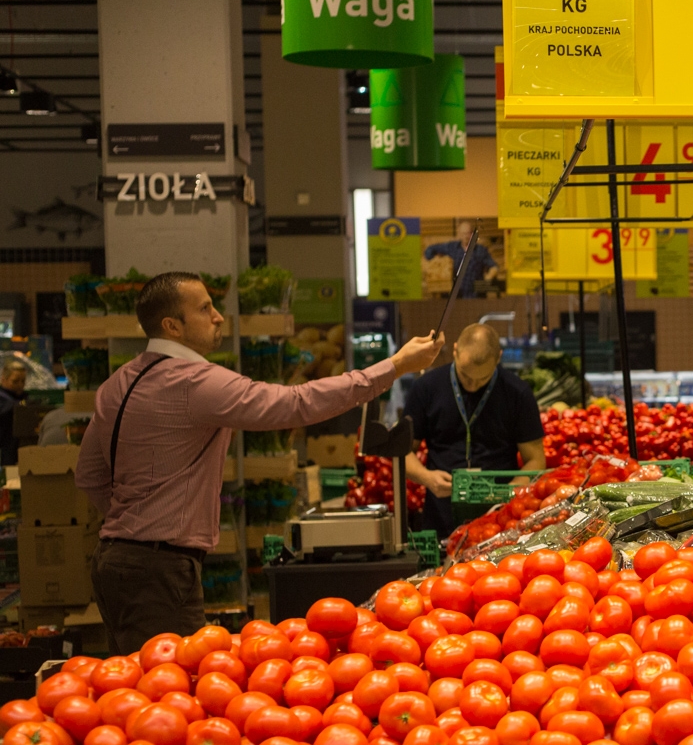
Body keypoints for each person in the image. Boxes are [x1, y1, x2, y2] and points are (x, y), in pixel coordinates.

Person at [76, 272, 442, 654]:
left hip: (113, 561)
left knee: (130, 686)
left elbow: (89, 475)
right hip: (160, 572)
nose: (218, 316)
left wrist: (131, 526)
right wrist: (395, 366)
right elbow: (296, 403)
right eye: (205, 309)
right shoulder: (196, 382)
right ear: (173, 326)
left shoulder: (116, 383)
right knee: (166, 690)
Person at [403, 324, 547, 539]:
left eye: (482, 379)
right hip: (441, 512)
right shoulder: (426, 388)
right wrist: (426, 477)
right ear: (455, 351)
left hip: (501, 517)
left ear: (498, 358)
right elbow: (402, 452)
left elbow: (535, 459)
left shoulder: (518, 393)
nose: (472, 386)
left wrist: (510, 492)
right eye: (465, 376)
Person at [424, 219, 500, 299]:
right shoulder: (452, 247)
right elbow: (430, 250)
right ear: (459, 235)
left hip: (476, 295)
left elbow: (494, 266)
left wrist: (489, 276)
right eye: (463, 234)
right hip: (457, 295)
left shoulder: (481, 250)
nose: (466, 236)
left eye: (468, 233)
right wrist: (436, 260)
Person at [0, 357, 26, 467]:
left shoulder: (24, 399)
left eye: (23, 381)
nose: (20, 385)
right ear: (3, 380)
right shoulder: (3, 400)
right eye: (15, 381)